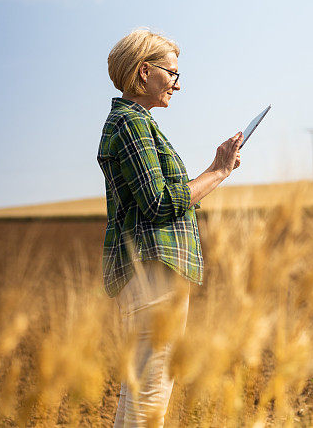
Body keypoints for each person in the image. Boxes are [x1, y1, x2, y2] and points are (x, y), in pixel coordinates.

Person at [97, 28, 242, 427]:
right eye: (172, 74)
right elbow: (160, 203)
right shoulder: (131, 124)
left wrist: (217, 170)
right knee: (149, 399)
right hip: (153, 274)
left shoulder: (135, 122)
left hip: (149, 273)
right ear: (144, 72)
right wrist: (217, 172)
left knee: (139, 397)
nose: (178, 84)